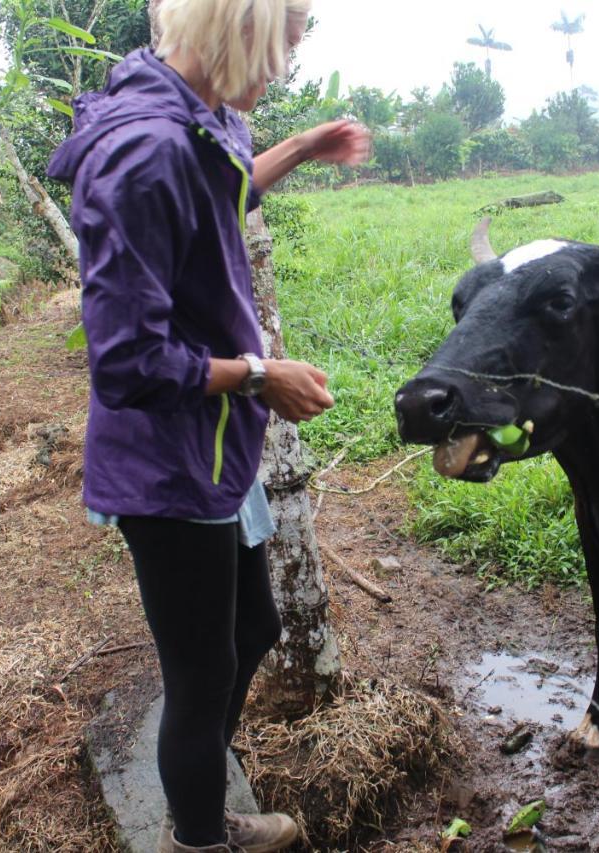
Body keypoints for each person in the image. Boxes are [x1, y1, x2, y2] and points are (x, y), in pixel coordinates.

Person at [47, 1, 369, 851]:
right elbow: (125, 364)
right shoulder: (143, 152)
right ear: (240, 29)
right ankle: (198, 837)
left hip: (215, 447)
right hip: (168, 462)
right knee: (201, 676)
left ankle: (197, 795)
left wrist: (300, 147)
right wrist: (262, 375)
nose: (283, 71)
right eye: (282, 47)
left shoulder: (192, 114)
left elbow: (216, 193)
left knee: (254, 628)